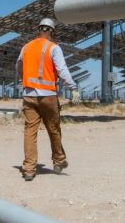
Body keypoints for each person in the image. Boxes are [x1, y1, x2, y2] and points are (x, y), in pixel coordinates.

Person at [17, 18, 80, 181]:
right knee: (53, 129)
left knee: (30, 132)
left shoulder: (26, 47)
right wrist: (72, 87)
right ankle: (58, 162)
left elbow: (18, 66)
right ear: (52, 33)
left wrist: (26, 81)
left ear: (38, 31)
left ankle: (29, 170)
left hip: (29, 95)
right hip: (48, 96)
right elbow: (62, 69)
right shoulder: (53, 47)